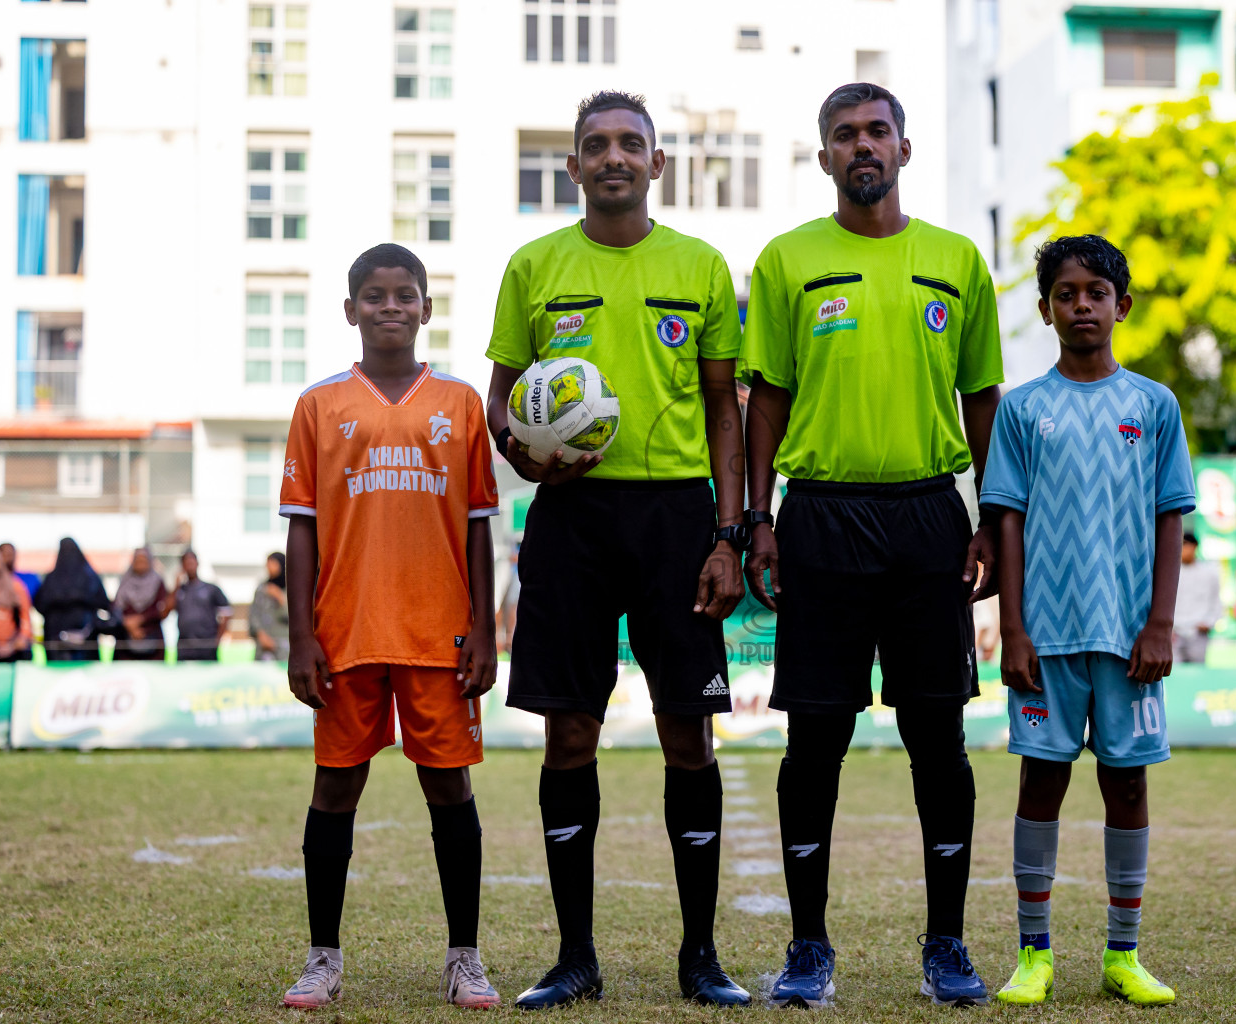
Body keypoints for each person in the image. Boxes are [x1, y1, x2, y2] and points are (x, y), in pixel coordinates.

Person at [484, 91, 749, 1009]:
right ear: (573, 167)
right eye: (595, 146)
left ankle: (701, 958)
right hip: (572, 519)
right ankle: (575, 958)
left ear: (657, 163)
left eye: (630, 144)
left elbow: (726, 406)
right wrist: (526, 455)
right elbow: (500, 402)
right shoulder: (535, 265)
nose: (613, 158)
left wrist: (728, 531)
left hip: (677, 520)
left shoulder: (702, 265)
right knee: (569, 732)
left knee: (688, 731)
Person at [741, 82, 1003, 1008]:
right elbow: (763, 397)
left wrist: (989, 517)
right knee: (815, 740)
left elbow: (982, 398)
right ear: (824, 157)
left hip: (930, 517)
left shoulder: (956, 260)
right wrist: (757, 517)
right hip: (819, 517)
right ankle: (809, 948)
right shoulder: (787, 261)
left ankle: (949, 947)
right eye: (845, 134)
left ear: (904, 147)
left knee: (941, 738)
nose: (863, 146)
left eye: (877, 131)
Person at [277, 243, 501, 1010]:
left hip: (438, 632)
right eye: (374, 296)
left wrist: (485, 625)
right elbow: (300, 530)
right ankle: (322, 958)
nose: (391, 307)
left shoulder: (461, 404)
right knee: (335, 786)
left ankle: (464, 957)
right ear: (351, 310)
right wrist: (301, 635)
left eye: (405, 295)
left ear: (427, 308)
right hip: (346, 632)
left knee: (449, 786)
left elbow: (478, 527)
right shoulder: (319, 406)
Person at [982, 235, 1191, 1008]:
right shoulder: (1025, 410)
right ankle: (1033, 953)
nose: (1081, 306)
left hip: (1129, 634)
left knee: (1127, 785)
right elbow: (1006, 520)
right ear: (1045, 310)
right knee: (1041, 778)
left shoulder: (1154, 405)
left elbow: (1172, 517)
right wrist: (1014, 629)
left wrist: (1160, 624)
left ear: (1120, 306)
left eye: (1095, 293)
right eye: (1065, 294)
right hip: (1047, 635)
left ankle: (1122, 954)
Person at [34, 538, 110, 661]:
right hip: (57, 639)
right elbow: (41, 604)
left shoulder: (88, 577)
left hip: (84, 637)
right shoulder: (53, 578)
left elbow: (103, 603)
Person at [164, 550, 232, 662]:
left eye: (192, 562)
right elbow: (166, 611)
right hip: (185, 645)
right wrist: (176, 585)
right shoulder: (179, 590)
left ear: (197, 563)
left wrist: (218, 638)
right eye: (186, 563)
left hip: (206, 644)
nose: (190, 566)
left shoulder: (211, 589)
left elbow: (226, 612)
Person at [1172, 533, 1222, 664]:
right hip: (1175, 632)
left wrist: (1209, 622)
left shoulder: (1209, 572)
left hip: (1198, 631)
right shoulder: (1170, 572)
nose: (1184, 549)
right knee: (1172, 673)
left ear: (1195, 547)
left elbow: (1216, 601)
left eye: (1187, 545)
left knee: (1198, 672)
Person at [112, 548, 168, 661]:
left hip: (152, 640)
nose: (140, 564)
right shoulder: (125, 581)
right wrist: (128, 623)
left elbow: (162, 609)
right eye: (138, 561)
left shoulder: (157, 582)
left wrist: (141, 620)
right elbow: (116, 607)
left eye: (143, 561)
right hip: (126, 642)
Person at [249, 551, 289, 662]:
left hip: (284, 649)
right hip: (264, 648)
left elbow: (298, 618)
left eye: (272, 563)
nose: (268, 567)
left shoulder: (292, 589)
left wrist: (281, 598)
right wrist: (260, 634)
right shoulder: (262, 588)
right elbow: (253, 614)